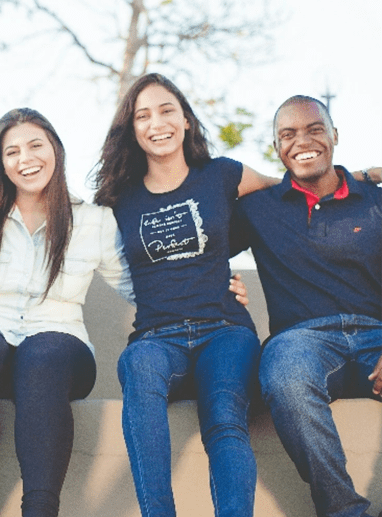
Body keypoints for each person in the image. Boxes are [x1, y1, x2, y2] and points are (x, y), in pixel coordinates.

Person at [0, 108, 135, 517]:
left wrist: (208, 289)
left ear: (55, 149)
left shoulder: (94, 220)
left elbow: (136, 287)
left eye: (35, 145)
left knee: (43, 353)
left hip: (61, 352)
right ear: (0, 164)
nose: (25, 158)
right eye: (11, 151)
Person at [91, 73, 283, 517]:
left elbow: (292, 189)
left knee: (225, 420)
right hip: (157, 337)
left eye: (166, 110)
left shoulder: (222, 174)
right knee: (137, 366)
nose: (156, 123)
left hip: (225, 330)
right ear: (132, 130)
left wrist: (365, 175)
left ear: (186, 121)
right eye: (143, 115)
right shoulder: (118, 199)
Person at [232, 96, 382, 517]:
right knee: (285, 376)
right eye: (288, 134)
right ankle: (343, 510)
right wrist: (226, 289)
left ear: (335, 135)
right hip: (303, 340)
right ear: (277, 147)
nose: (303, 141)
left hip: (376, 333)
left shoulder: (375, 200)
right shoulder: (258, 208)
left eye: (315, 129)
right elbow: (199, 244)